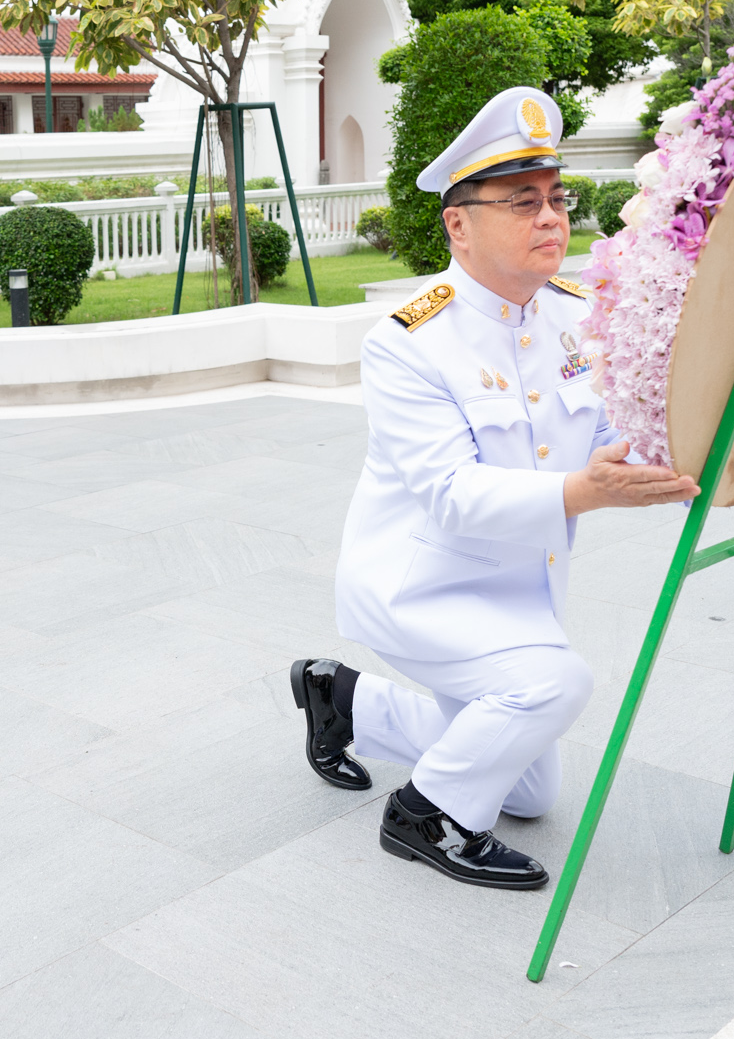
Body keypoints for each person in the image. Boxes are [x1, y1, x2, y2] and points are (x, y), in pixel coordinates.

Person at [292, 87, 699, 890]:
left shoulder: (578, 314)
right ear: (459, 224)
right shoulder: (408, 341)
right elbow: (452, 495)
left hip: (518, 588)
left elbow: (617, 434)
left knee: (531, 790)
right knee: (554, 683)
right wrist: (587, 491)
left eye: (556, 198)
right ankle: (425, 817)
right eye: (523, 202)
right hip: (421, 584)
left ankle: (341, 700)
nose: (552, 217)